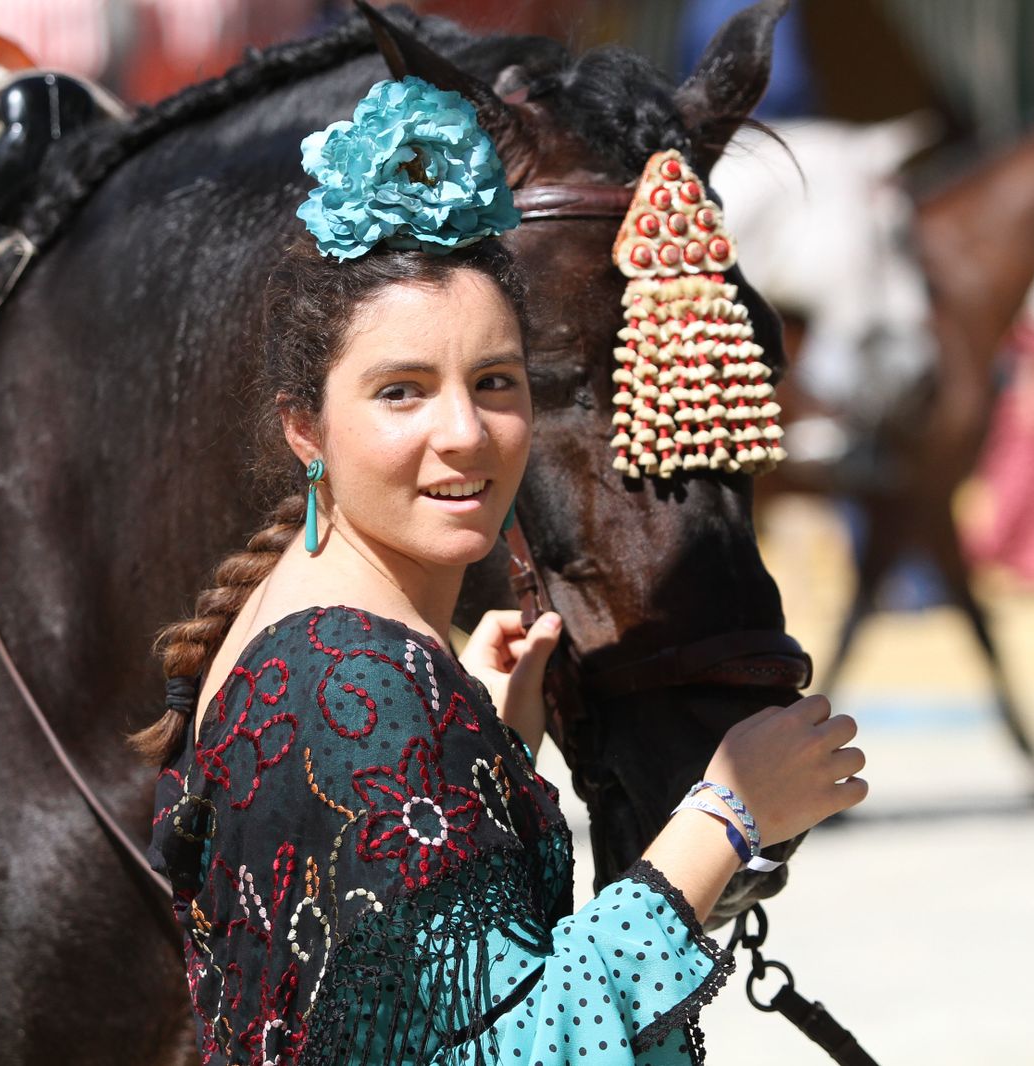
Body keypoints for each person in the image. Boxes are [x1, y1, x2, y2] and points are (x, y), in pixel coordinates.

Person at [140, 76, 868, 1065]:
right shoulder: (359, 681)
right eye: (401, 392)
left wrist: (486, 751)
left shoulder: (317, 632)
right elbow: (508, 1051)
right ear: (304, 427)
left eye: (495, 383)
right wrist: (724, 823)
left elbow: (379, 989)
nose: (463, 434)